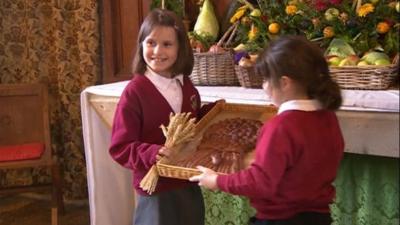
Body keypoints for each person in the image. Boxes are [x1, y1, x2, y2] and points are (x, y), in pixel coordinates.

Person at [190, 35, 345, 225]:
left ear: (285, 82)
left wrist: (217, 181)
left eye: (265, 80)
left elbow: (259, 182)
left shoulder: (280, 127)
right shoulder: (328, 117)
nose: (264, 86)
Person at [109, 9, 211, 225]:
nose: (157, 51)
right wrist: (154, 152)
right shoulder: (135, 93)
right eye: (151, 43)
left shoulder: (187, 87)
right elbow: (121, 147)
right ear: (141, 45)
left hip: (186, 182)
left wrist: (210, 115)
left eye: (167, 44)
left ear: (180, 48)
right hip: (155, 191)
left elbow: (190, 124)